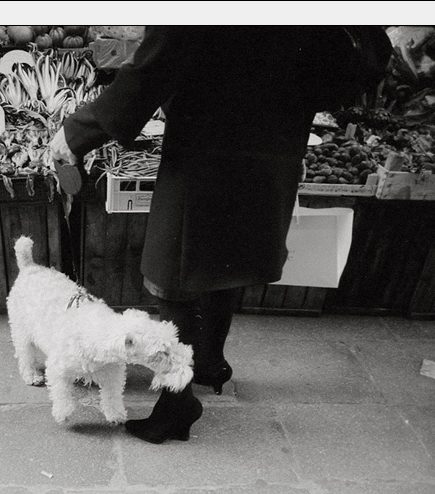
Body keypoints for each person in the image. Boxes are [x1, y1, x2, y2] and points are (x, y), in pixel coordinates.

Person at [50, 26, 392, 444]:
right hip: (273, 149)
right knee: (224, 257)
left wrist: (77, 132)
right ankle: (210, 362)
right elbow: (356, 64)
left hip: (207, 148)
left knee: (170, 274)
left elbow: (152, 69)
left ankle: (178, 404)